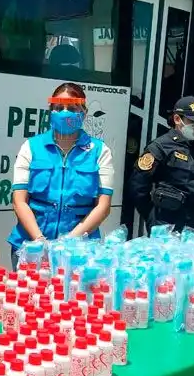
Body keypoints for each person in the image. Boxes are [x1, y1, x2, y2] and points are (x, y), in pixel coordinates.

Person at [8, 83, 115, 269]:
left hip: (80, 252)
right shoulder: (31, 147)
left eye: (72, 108)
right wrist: (39, 241)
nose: (65, 113)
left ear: (84, 112)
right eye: (59, 108)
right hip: (30, 247)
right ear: (50, 111)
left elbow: (103, 206)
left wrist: (69, 242)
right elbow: (19, 201)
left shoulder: (100, 151)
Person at [127, 96, 194, 234]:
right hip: (165, 222)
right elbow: (138, 186)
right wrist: (151, 218)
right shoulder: (161, 146)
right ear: (177, 119)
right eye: (192, 122)